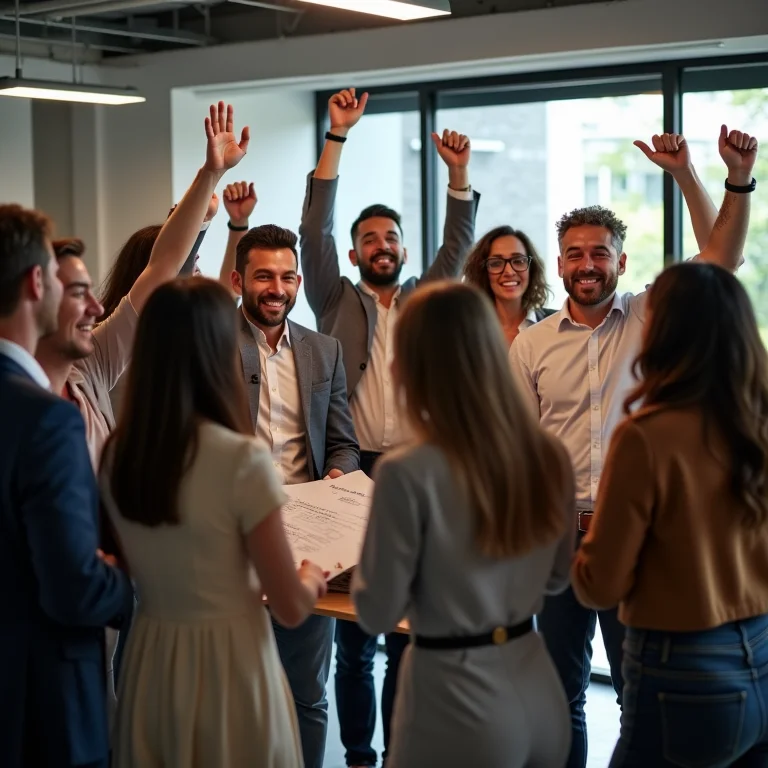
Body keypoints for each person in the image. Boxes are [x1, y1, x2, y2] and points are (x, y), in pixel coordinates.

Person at [508, 126, 754, 768]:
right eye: (575, 254)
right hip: (557, 538)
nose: (587, 264)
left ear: (621, 261)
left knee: (636, 689)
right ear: (559, 263)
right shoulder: (531, 344)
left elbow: (720, 260)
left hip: (641, 535)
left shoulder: (652, 315)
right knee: (559, 694)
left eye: (600, 252)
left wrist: (701, 176)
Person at [299, 86, 478, 768]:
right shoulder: (332, 294)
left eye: (391, 237)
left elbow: (458, 244)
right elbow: (314, 229)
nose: (382, 245)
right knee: (353, 634)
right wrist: (336, 137)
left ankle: (405, 747)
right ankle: (357, 754)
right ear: (353, 255)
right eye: (369, 239)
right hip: (351, 469)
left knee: (407, 622)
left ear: (404, 249)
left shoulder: (428, 295)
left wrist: (458, 175)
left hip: (419, 470)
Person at [101, 277, 327, 768]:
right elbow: (289, 606)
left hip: (152, 657)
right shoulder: (241, 459)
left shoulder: (119, 454)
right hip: (231, 660)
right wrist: (312, 575)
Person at [352, 280, 576, 768]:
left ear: (414, 364)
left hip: (453, 698)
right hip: (538, 686)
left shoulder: (407, 471)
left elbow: (376, 612)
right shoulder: (550, 455)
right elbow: (558, 578)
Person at [571, 258, 768, 766]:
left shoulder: (645, 437)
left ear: (666, 334)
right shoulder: (758, 423)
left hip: (681, 667)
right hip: (762, 654)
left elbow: (601, 585)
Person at [0, 203, 134, 768]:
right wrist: (128, 581)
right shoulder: (46, 418)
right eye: (67, 285)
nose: (92, 305)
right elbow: (73, 589)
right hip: (45, 703)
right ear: (38, 283)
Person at [232, 221, 359, 768]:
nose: (276, 288)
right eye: (263, 276)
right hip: (232, 544)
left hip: (308, 541)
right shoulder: (211, 343)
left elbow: (344, 444)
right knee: (239, 696)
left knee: (307, 694)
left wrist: (337, 477)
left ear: (299, 281)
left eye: (287, 277)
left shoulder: (324, 350)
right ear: (239, 280)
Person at [463, 224, 554, 346]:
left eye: (518, 261)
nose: (509, 272)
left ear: (531, 269)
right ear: (482, 271)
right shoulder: (465, 332)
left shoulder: (558, 326)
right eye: (496, 263)